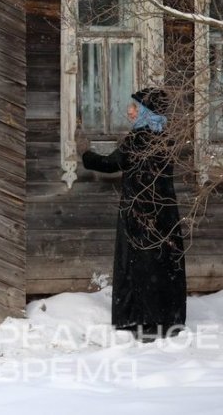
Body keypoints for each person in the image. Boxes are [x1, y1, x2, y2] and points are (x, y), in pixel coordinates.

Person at [78, 87, 186, 341]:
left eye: (135, 107)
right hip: (164, 213)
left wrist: (84, 152)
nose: (129, 111)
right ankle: (166, 318)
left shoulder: (138, 140)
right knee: (163, 264)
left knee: (139, 265)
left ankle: (142, 320)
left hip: (139, 212)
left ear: (147, 112)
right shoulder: (166, 138)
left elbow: (110, 164)